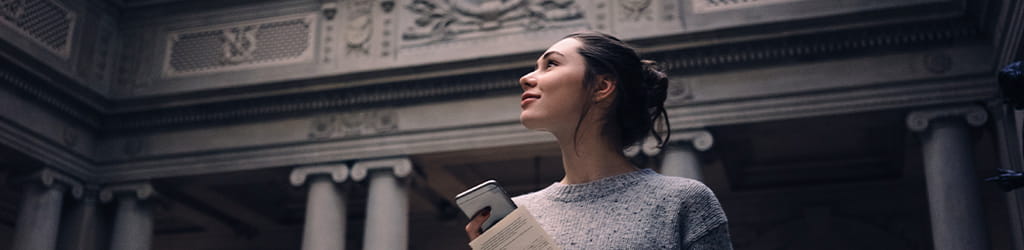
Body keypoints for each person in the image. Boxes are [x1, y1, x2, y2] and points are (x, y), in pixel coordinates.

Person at [464, 31, 733, 249]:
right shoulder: (518, 215)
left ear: (602, 86)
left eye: (551, 64)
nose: (525, 79)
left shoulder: (682, 201)